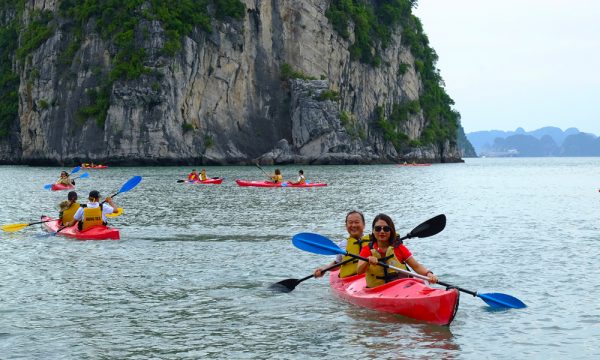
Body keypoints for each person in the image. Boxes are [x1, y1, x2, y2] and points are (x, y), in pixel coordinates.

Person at [357, 213, 438, 288]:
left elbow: (416, 266)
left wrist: (429, 274)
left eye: (386, 229)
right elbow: (359, 271)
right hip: (376, 290)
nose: (382, 231)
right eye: (378, 228)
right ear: (373, 231)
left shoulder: (398, 247)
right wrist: (367, 261)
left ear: (391, 231)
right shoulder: (367, 249)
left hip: (399, 289)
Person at [313, 210, 371, 278]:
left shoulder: (372, 241)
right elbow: (338, 264)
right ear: (346, 226)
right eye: (350, 222)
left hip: (368, 277)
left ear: (364, 225)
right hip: (350, 280)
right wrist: (324, 269)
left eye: (357, 222)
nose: (353, 225)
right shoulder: (342, 245)